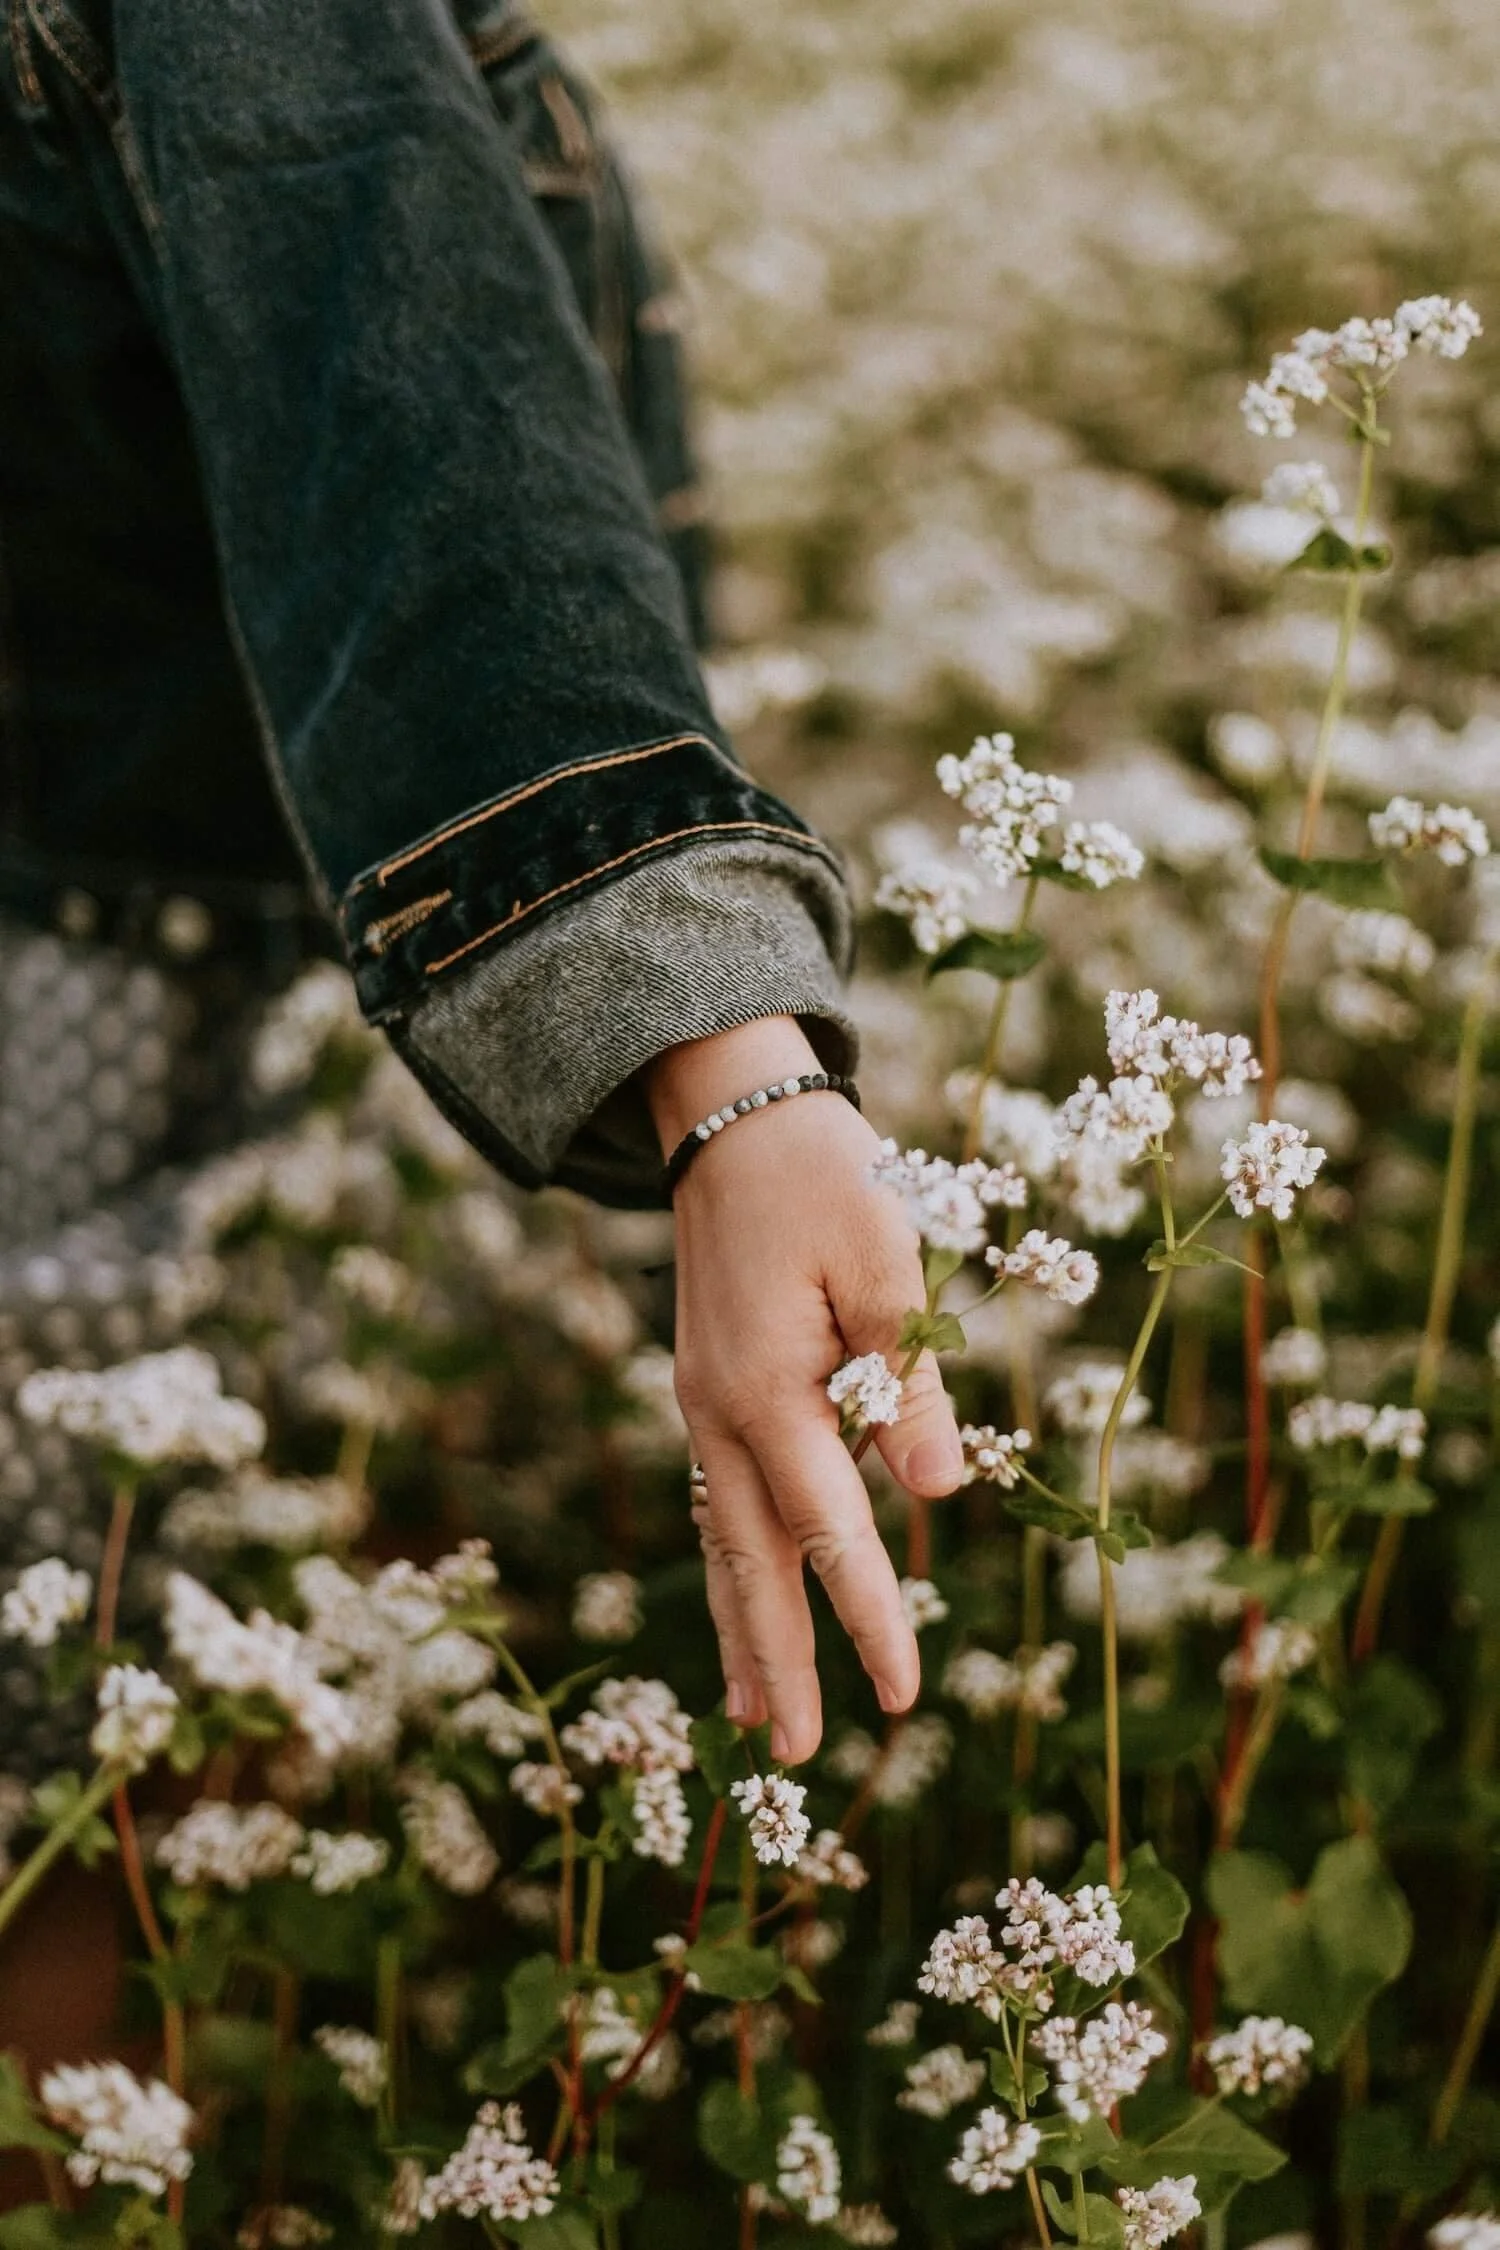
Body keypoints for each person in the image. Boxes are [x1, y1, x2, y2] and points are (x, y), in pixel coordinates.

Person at [0, 0, 964, 1773]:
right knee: (116, 1752)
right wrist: (733, 1075)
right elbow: (405, 363)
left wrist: (720, 1058)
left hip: (161, 961)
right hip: (159, 1011)